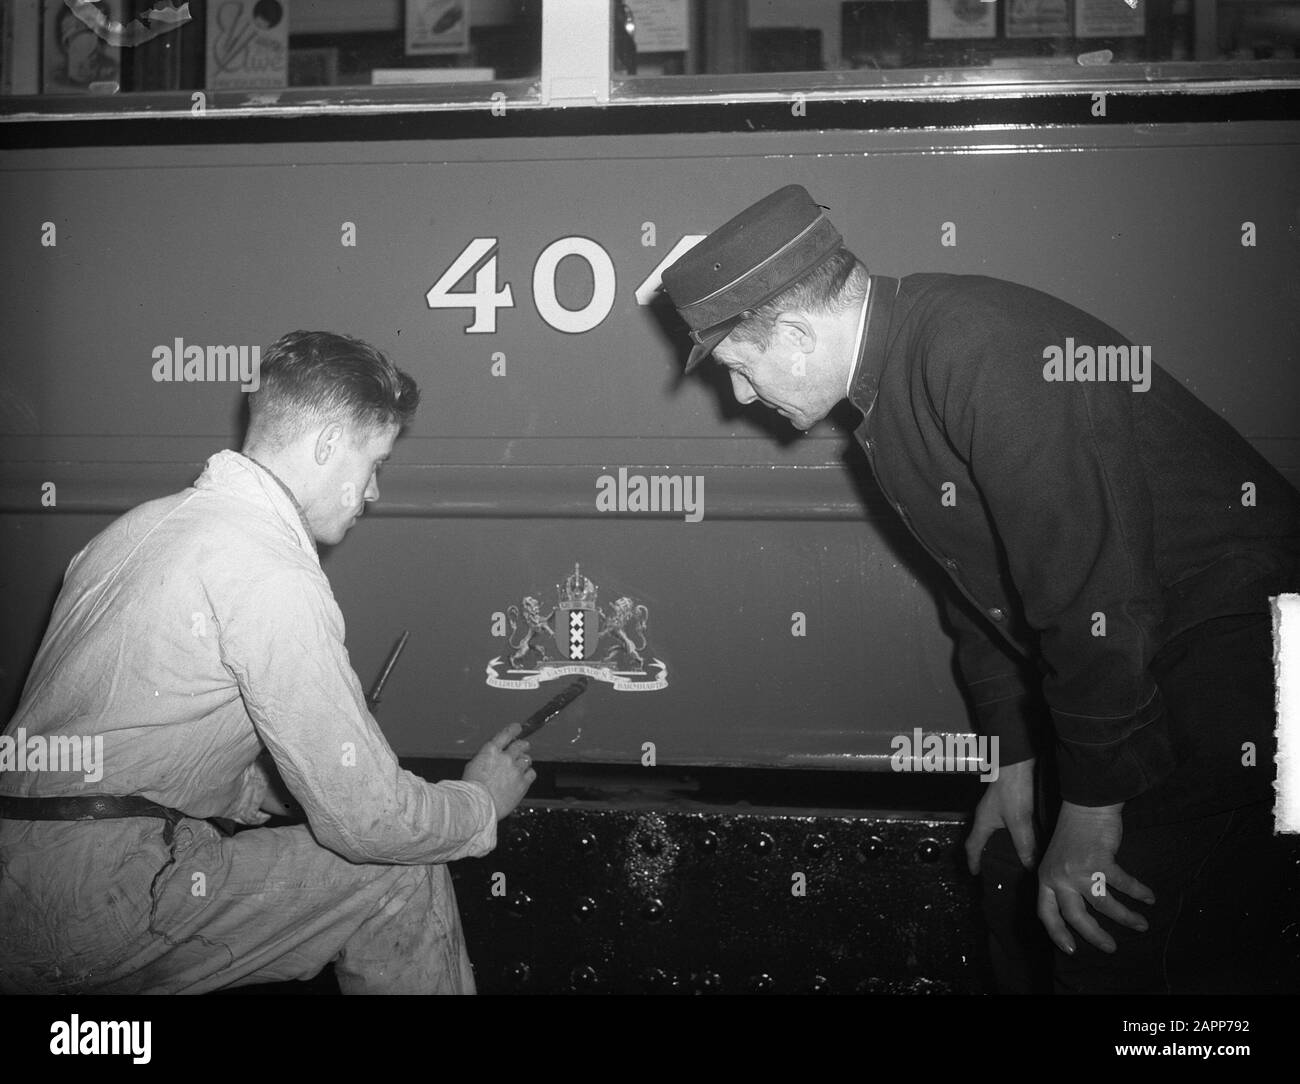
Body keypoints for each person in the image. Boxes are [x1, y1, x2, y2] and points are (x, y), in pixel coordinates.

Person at [660, 185, 1300, 994]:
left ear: (792, 332)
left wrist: (1095, 809)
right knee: (1011, 872)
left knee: (1119, 948)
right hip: (1155, 656)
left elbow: (1096, 592)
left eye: (740, 371)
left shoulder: (978, 347)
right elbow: (979, 589)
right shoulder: (891, 381)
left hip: (1251, 665)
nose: (742, 398)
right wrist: (1018, 757)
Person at [0, 330, 535, 994]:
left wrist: (250, 786)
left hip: (19, 889)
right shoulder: (271, 571)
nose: (372, 494)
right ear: (328, 445)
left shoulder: (134, 532)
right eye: (374, 464)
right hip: (101, 902)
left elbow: (115, 744)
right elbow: (369, 824)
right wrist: (482, 802)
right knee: (396, 873)